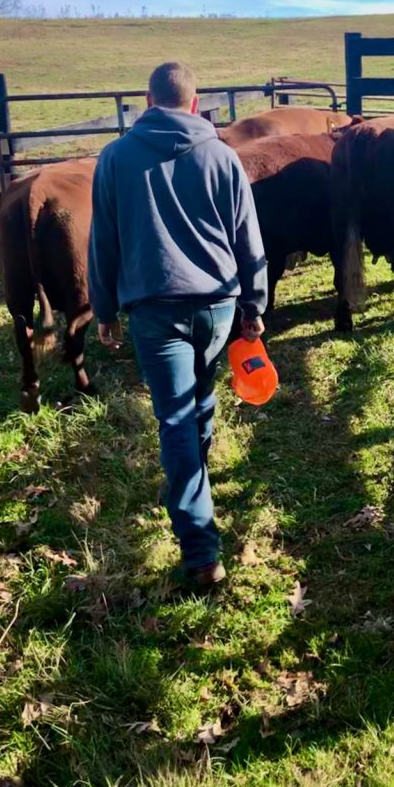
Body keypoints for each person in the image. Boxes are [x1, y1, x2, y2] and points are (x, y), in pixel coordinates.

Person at [88, 61, 267, 591]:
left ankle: (200, 552)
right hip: (217, 306)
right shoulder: (223, 156)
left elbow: (104, 241)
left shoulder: (115, 158)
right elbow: (248, 238)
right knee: (199, 403)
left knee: (175, 419)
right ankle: (195, 487)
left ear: (148, 101)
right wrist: (254, 308)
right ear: (195, 103)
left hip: (153, 308)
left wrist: (103, 310)